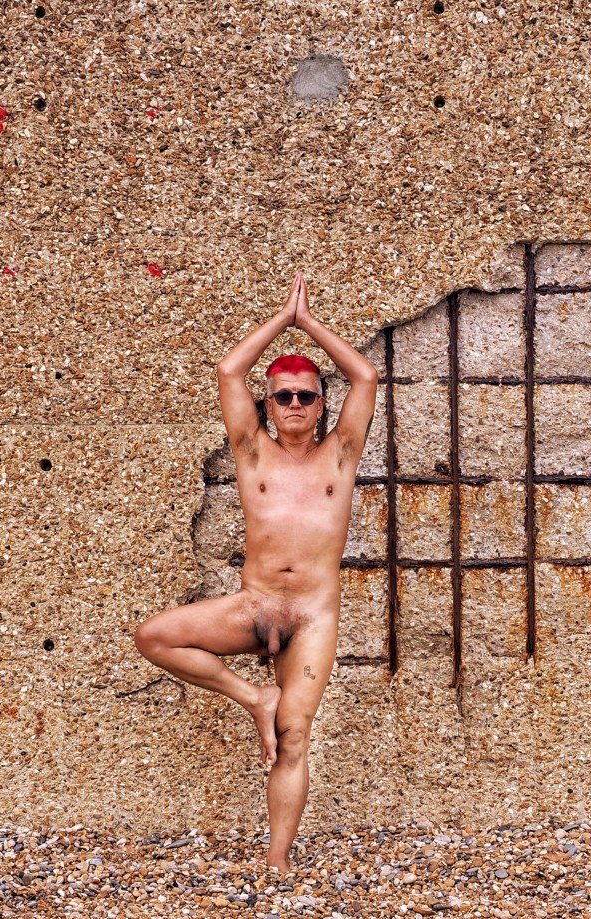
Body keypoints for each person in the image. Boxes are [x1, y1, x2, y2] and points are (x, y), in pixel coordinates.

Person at [134, 270, 378, 871]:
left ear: (323, 403)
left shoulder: (341, 454)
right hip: (256, 602)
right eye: (283, 396)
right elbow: (227, 371)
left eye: (307, 395)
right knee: (154, 636)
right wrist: (281, 318)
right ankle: (254, 695)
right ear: (268, 405)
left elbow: (366, 375)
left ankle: (276, 862)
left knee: (294, 734)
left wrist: (309, 323)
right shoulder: (251, 450)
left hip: (313, 615)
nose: (295, 404)